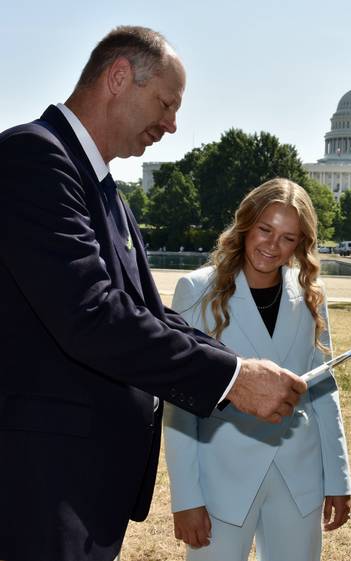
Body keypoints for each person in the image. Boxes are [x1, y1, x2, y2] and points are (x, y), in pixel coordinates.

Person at [0, 26, 305, 561]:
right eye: (165, 103)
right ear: (119, 77)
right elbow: (91, 314)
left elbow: (145, 313)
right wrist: (234, 380)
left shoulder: (101, 188)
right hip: (40, 478)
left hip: (81, 479)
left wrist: (237, 368)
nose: (171, 124)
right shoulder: (34, 158)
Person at [164, 178, 351, 561]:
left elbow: (324, 389)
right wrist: (185, 497)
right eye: (265, 229)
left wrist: (337, 477)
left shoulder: (311, 295)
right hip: (220, 479)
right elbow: (179, 401)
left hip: (299, 477)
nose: (272, 245)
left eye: (288, 237)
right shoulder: (197, 290)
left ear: (300, 243)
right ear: (246, 224)